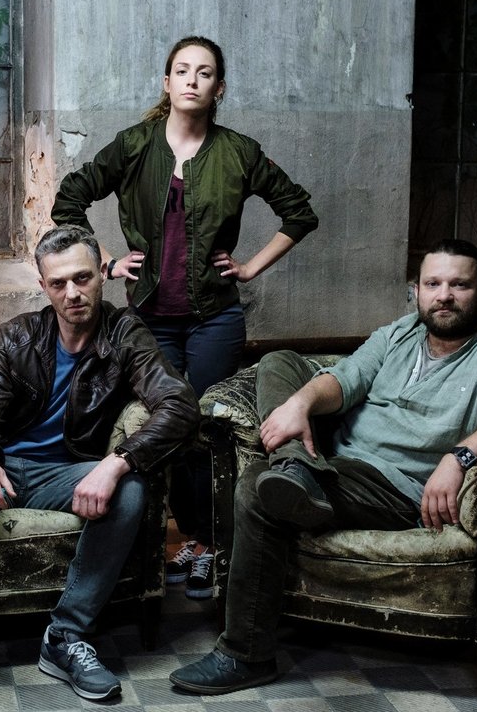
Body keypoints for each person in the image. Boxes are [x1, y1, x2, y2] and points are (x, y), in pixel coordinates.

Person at [169, 239, 477, 694]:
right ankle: (296, 470)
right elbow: (346, 379)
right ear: (416, 290)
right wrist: (300, 403)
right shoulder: (399, 334)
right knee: (279, 363)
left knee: (257, 488)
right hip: (336, 463)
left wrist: (459, 457)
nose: (444, 296)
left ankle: (245, 655)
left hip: (395, 488)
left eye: (459, 285)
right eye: (433, 284)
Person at [51, 35, 319, 599]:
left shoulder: (238, 152)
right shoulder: (135, 145)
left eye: (204, 72)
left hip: (215, 317)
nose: (192, 80)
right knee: (164, 425)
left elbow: (299, 212)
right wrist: (105, 262)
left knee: (210, 426)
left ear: (219, 87)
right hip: (149, 318)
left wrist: (249, 268)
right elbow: (70, 198)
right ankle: (167, 542)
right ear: (166, 82)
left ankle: (207, 543)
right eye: (182, 70)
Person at [0, 225, 200, 708]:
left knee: (131, 488)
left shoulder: (125, 334)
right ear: (43, 286)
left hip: (71, 472)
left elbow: (179, 405)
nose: (72, 293)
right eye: (58, 283)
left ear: (102, 274)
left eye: (82, 278)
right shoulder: (17, 335)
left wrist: (116, 462)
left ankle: (66, 636)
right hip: (9, 467)